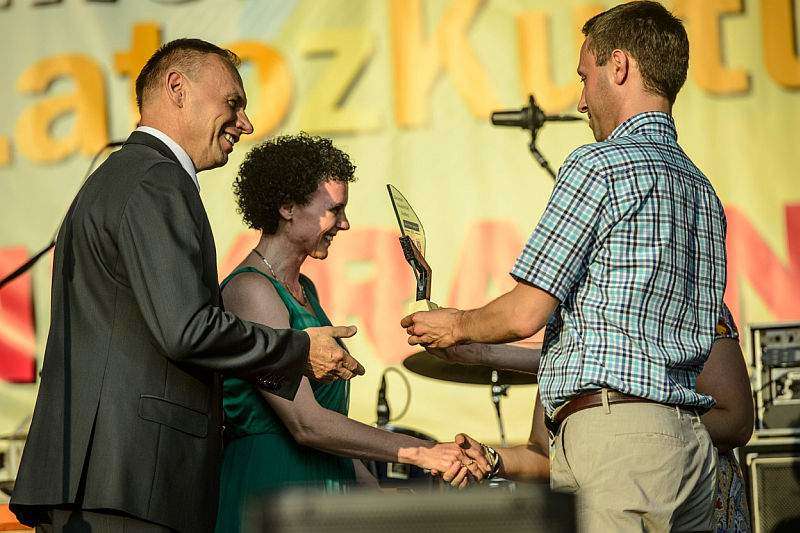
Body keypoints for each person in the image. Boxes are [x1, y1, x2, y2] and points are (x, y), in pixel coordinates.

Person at [10, 39, 363, 533]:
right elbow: (186, 330)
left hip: (108, 480)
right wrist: (298, 349)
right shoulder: (156, 180)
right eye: (233, 103)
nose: (245, 123)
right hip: (130, 483)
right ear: (177, 88)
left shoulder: (125, 176)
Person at [402, 1, 727, 530]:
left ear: (618, 66)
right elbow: (618, 337)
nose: (580, 100)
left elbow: (526, 311)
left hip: (617, 442)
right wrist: (476, 351)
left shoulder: (598, 164)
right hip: (689, 444)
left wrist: (456, 323)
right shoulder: (702, 189)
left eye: (584, 76)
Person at [214, 134, 473, 533]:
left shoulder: (306, 290)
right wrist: (422, 452)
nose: (345, 223)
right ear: (287, 207)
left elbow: (332, 427)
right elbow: (307, 423)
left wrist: (372, 492)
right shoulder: (251, 290)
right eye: (335, 210)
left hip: (321, 493)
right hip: (271, 489)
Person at [445, 305, 754, 531]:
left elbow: (736, 420)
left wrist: (637, 425)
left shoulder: (682, 299)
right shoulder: (566, 331)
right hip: (600, 509)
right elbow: (547, 454)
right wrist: (492, 459)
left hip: (689, 497)